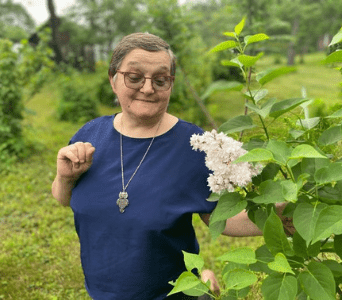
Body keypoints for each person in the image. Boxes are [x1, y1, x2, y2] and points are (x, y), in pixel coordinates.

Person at [52, 32, 268, 300]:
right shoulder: (90, 135)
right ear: (113, 80)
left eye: (160, 79)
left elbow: (221, 217)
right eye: (134, 77)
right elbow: (64, 197)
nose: (147, 88)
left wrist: (280, 218)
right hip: (100, 292)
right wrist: (64, 178)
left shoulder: (194, 145)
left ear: (170, 85)